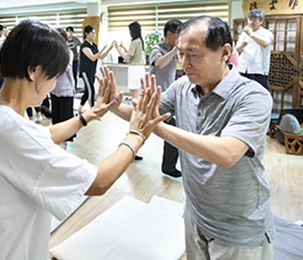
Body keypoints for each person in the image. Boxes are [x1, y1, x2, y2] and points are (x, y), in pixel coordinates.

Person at [0, 20, 169, 259]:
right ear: (34, 71)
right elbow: (98, 182)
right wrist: (136, 135)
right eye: (54, 75)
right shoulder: (13, 131)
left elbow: (41, 135)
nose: (54, 84)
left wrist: (88, 115)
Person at [109, 16, 274, 259]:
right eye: (180, 54)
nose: (184, 63)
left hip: (239, 228)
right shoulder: (181, 87)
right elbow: (143, 113)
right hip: (196, 216)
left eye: (193, 54)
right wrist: (112, 104)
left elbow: (227, 153)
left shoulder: (252, 96)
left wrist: (158, 127)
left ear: (224, 52)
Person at [149, 19, 182, 177]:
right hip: (153, 98)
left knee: (144, 127)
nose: (181, 36)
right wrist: (175, 50)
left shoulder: (174, 50)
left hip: (167, 97)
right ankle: (168, 167)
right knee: (173, 128)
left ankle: (130, 152)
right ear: (169, 34)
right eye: (178, 33)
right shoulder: (158, 48)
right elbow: (159, 64)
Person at [77, 25, 113, 113]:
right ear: (86, 33)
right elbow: (93, 58)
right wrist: (103, 48)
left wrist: (109, 48)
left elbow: (100, 56)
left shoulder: (94, 45)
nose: (94, 35)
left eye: (94, 33)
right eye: (92, 33)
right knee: (91, 91)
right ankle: (93, 111)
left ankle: (80, 109)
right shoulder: (84, 46)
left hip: (92, 71)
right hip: (85, 72)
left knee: (88, 91)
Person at [236, 8, 273, 89]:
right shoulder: (244, 34)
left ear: (261, 21)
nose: (251, 22)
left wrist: (250, 34)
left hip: (258, 70)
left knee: (258, 96)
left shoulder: (266, 33)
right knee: (242, 94)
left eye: (255, 20)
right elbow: (237, 50)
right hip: (243, 69)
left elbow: (264, 43)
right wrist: (242, 45)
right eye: (250, 20)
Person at [51, 28, 76, 148]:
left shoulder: (68, 53)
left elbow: (65, 68)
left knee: (65, 120)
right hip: (54, 89)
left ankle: (63, 145)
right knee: (56, 118)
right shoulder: (52, 53)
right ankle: (57, 143)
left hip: (66, 90)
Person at [113, 21, 146, 99]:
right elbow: (133, 54)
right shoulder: (140, 41)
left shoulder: (134, 42)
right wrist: (123, 48)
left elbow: (126, 58)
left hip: (134, 69)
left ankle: (136, 109)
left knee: (134, 93)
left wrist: (118, 48)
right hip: (140, 68)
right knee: (135, 92)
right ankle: (136, 108)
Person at [66, 26, 82, 91]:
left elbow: (82, 47)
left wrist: (79, 55)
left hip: (75, 59)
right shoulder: (64, 39)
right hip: (67, 59)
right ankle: (68, 88)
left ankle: (74, 88)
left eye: (70, 31)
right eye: (68, 31)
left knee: (74, 74)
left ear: (72, 32)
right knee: (68, 74)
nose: (69, 32)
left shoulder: (75, 39)